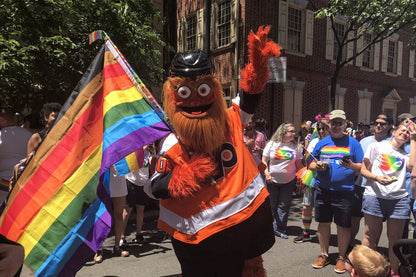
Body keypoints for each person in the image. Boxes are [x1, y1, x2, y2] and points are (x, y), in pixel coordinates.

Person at [145, 27, 281, 276]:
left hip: (244, 225)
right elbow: (154, 187)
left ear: (214, 89)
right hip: (201, 238)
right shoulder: (172, 143)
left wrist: (259, 67)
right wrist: (188, 175)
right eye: (185, 92)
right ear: (174, 95)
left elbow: (249, 95)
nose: (196, 100)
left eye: (204, 90)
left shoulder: (230, 119)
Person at [309, 109, 363, 273]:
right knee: (323, 223)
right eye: (334, 123)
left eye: (340, 123)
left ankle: (341, 257)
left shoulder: (353, 143)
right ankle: (324, 255)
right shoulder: (321, 143)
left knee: (343, 225)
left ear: (345, 124)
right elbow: (310, 164)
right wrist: (316, 166)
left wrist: (351, 166)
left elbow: (361, 167)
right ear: (329, 124)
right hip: (322, 189)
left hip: (344, 191)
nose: (337, 126)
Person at [360, 123, 416, 276]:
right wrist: (377, 177)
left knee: (394, 238)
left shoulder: (406, 155)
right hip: (374, 196)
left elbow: (412, 167)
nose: (405, 133)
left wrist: (413, 139)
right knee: (370, 235)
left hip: (399, 200)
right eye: (403, 130)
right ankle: (364, 269)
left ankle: (394, 270)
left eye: (408, 132)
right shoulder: (376, 146)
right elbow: (364, 169)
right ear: (395, 131)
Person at [350, 114, 393, 248]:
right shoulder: (364, 141)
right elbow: (358, 162)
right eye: (376, 123)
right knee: (354, 217)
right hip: (360, 185)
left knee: (375, 222)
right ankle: (349, 246)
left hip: (378, 188)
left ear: (390, 126)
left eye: (383, 123)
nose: (378, 126)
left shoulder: (392, 143)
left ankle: (372, 249)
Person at [262, 123, 303, 239]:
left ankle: (280, 229)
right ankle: (268, 228)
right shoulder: (272, 144)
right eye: (291, 131)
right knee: (271, 205)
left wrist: (301, 179)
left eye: (294, 131)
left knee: (284, 206)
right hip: (272, 181)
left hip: (289, 182)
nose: (294, 134)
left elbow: (299, 165)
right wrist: (267, 173)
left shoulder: (296, 147)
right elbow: (264, 161)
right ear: (283, 132)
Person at [293, 119, 330, 243]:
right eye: (319, 128)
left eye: (324, 128)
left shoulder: (334, 143)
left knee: (326, 209)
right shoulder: (314, 141)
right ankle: (305, 233)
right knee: (306, 206)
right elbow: (308, 159)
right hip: (312, 177)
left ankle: (326, 235)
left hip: (328, 179)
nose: (321, 131)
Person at [94, 166, 130, 263]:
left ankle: (117, 246)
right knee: (100, 216)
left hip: (118, 180)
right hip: (102, 180)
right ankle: (98, 249)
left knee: (118, 215)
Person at [121, 146, 153, 245]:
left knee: (140, 209)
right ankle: (121, 236)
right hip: (131, 182)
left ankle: (138, 235)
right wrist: (142, 149)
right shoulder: (134, 149)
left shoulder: (149, 152)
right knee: (127, 210)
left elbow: (149, 165)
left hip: (143, 183)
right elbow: (131, 162)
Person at [0, 108, 32, 198]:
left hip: (3, 183)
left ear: (2, 120)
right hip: (21, 181)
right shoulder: (27, 133)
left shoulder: (1, 135)